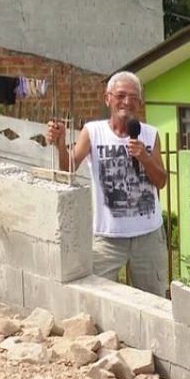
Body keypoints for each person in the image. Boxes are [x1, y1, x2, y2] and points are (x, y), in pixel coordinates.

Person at [46, 71, 168, 296]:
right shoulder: (93, 131)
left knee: (155, 302)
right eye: (120, 95)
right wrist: (60, 145)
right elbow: (67, 169)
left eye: (133, 97)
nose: (127, 102)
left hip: (148, 238)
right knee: (97, 299)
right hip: (107, 239)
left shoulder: (150, 135)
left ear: (140, 103)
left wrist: (145, 158)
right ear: (107, 98)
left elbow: (161, 181)